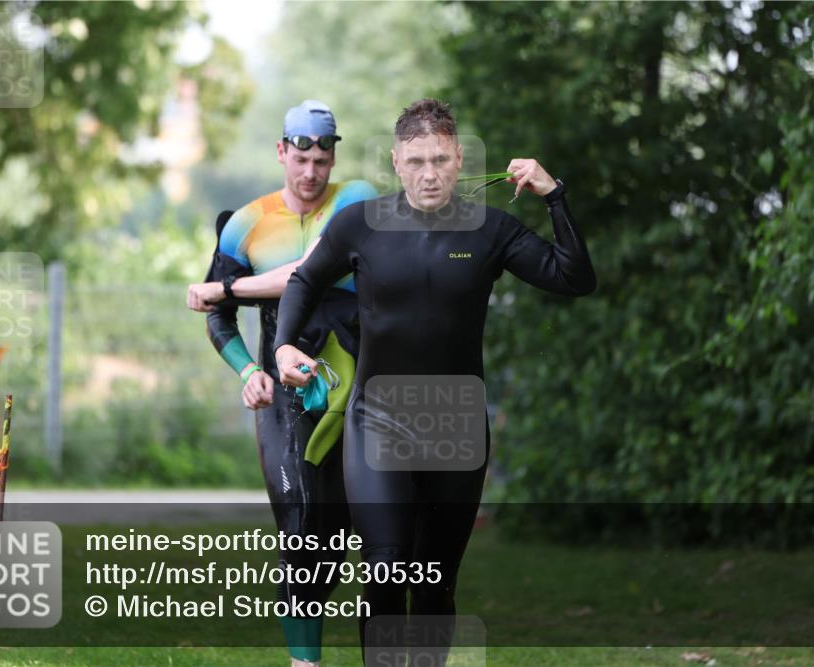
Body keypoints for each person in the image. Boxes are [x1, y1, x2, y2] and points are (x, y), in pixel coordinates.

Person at [273, 98, 596, 664]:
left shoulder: (491, 230)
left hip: (456, 426)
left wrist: (554, 194)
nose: (429, 174)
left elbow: (574, 277)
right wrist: (283, 345)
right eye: (417, 160)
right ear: (396, 161)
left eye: (441, 160)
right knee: (385, 569)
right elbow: (304, 281)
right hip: (377, 421)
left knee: (433, 585)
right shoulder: (361, 225)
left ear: (459, 159)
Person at [187, 99, 377, 667]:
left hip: (361, 389)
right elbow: (217, 325)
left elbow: (304, 272)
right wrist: (248, 371)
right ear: (281, 152)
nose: (312, 171)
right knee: (300, 526)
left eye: (323, 158)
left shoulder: (357, 199)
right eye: (301, 157)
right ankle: (304, 663)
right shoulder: (243, 224)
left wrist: (227, 288)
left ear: (333, 156)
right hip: (286, 398)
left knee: (361, 534)